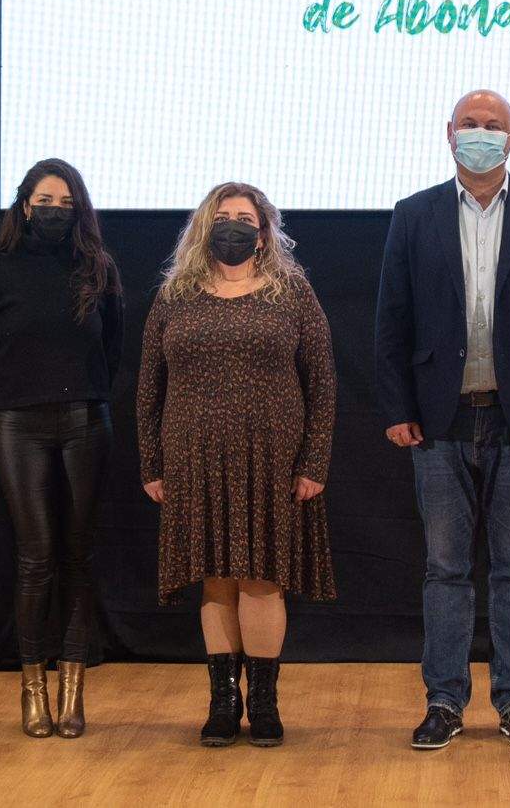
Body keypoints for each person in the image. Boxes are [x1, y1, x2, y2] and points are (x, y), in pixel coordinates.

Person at [373, 89, 510, 752]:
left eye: (491, 126)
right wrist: (397, 409)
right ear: (449, 134)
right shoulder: (413, 215)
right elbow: (391, 322)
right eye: (470, 124)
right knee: (444, 568)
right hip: (439, 421)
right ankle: (444, 700)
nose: (480, 134)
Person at [136, 182, 335, 747]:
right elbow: (148, 387)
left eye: (244, 217)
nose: (233, 226)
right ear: (205, 226)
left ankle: (265, 704)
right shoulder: (175, 295)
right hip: (194, 458)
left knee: (263, 582)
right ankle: (223, 703)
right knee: (216, 582)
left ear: (264, 229)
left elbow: (322, 384)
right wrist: (152, 462)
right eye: (223, 217)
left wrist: (314, 459)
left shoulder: (294, 294)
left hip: (272, 460)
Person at [0, 158, 123, 738]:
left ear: (78, 208)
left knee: (78, 559)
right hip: (19, 423)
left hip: (86, 418)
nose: (54, 210)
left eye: (65, 202)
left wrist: (84, 393)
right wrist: (17, 397)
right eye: (44, 201)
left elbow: (113, 348)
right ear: (24, 205)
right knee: (35, 559)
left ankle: (73, 691)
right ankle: (33, 690)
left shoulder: (97, 268)